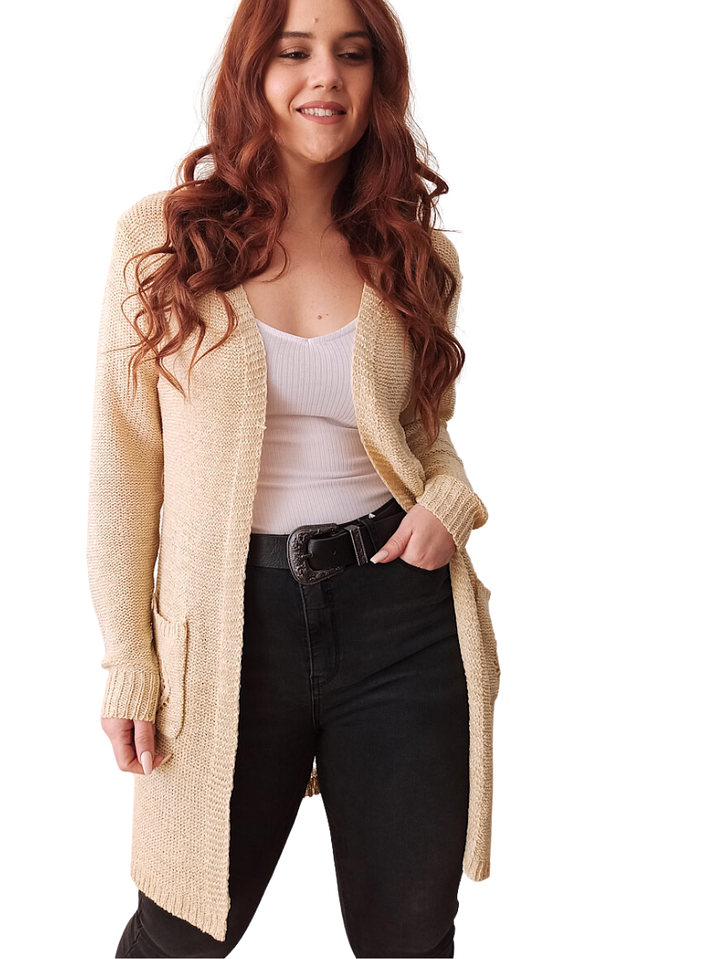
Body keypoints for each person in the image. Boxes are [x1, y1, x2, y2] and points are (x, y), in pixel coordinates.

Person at [87, 0, 500, 956]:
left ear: (378, 80)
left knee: (408, 939)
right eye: (295, 52)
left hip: (400, 618)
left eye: (352, 55)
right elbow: (123, 461)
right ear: (252, 72)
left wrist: (449, 501)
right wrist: (129, 659)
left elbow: (424, 437)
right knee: (180, 930)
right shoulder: (163, 239)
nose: (326, 78)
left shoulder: (414, 253)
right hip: (226, 627)